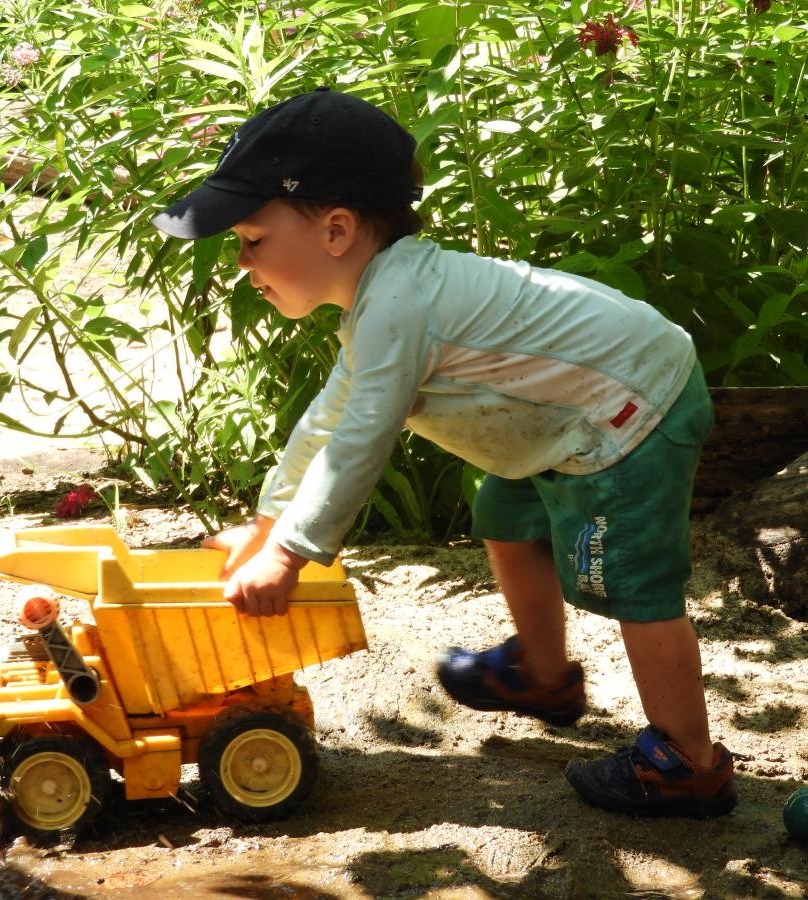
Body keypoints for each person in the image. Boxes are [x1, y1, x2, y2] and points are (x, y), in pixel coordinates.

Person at [152, 87, 735, 818]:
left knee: (630, 583)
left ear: (336, 229)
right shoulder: (384, 303)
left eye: (252, 239)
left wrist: (291, 552)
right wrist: (269, 521)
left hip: (631, 410)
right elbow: (328, 419)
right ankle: (545, 673)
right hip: (571, 419)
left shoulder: (399, 305)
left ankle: (688, 761)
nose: (242, 261)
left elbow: (363, 438)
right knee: (504, 511)